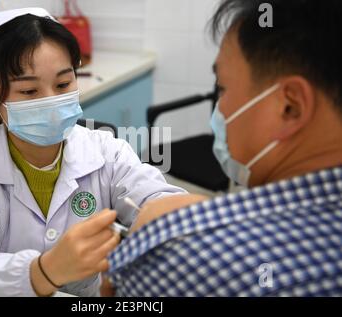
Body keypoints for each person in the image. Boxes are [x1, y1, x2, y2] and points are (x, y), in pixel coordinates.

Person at [0, 8, 186, 297]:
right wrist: (45, 270)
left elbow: (154, 197)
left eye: (63, 84)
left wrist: (169, 218)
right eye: (29, 91)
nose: (51, 101)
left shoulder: (108, 151)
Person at [105, 0, 342, 296]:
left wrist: (160, 240)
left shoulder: (187, 259)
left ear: (289, 107)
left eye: (224, 88)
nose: (220, 109)